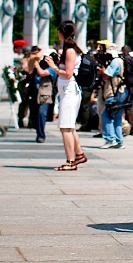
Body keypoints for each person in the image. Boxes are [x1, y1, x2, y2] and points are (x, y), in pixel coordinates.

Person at [52, 21, 87, 170]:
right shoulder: (68, 48)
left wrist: (53, 67)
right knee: (69, 126)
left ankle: (70, 161)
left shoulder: (70, 50)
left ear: (62, 33)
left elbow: (68, 74)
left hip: (70, 91)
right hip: (67, 91)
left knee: (65, 127)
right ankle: (79, 154)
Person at [97, 48, 126, 149]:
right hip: (121, 92)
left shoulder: (115, 62)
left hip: (113, 93)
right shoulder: (121, 60)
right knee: (117, 118)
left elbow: (106, 75)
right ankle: (119, 141)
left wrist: (101, 72)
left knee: (106, 115)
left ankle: (110, 139)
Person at [28, 46, 54, 143]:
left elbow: (43, 73)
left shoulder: (53, 68)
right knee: (34, 114)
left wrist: (37, 65)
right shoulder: (39, 64)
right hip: (34, 92)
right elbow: (30, 70)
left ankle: (41, 135)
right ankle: (38, 131)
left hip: (45, 93)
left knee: (41, 113)